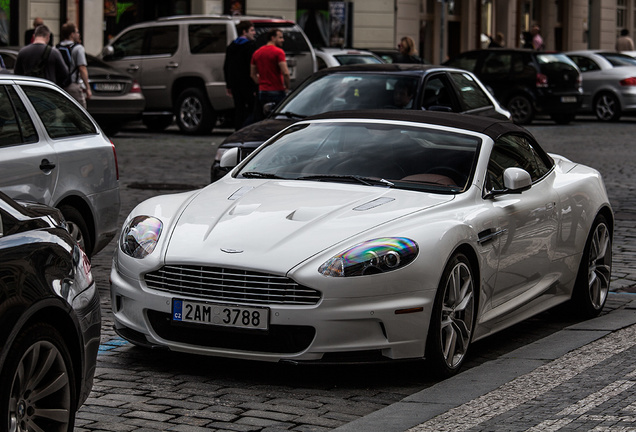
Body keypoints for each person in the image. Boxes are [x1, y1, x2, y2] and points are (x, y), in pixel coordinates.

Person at [250, 28, 290, 121]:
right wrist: (287, 86)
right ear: (273, 38)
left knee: (263, 118)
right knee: (278, 118)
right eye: (280, 37)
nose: (282, 40)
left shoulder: (257, 53)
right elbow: (286, 72)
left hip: (263, 91)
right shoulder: (279, 52)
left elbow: (252, 74)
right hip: (277, 90)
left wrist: (261, 83)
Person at [224, 20, 257, 130]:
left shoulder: (231, 46)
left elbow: (226, 66)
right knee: (252, 109)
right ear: (244, 32)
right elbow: (252, 67)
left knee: (239, 109)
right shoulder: (250, 46)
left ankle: (238, 131)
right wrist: (255, 85)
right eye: (252, 30)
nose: (254, 33)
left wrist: (228, 84)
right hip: (247, 84)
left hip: (235, 84)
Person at [57, 22, 91, 108]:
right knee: (81, 112)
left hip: (58, 85)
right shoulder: (78, 48)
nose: (79, 34)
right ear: (72, 34)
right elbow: (82, 68)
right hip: (72, 85)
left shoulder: (56, 48)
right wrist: (87, 87)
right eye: (77, 32)